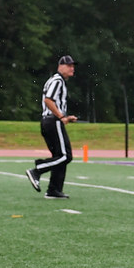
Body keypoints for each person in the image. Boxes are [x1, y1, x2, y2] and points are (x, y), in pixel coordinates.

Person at [25, 55, 77, 199]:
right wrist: (61, 117)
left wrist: (65, 117)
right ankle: (37, 170)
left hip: (48, 121)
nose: (72, 68)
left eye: (73, 66)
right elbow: (48, 100)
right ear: (60, 66)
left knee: (59, 156)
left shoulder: (54, 80)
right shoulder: (58, 81)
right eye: (69, 65)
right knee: (66, 156)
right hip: (53, 121)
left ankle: (54, 189)